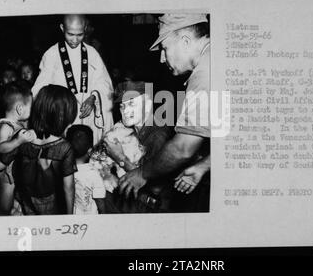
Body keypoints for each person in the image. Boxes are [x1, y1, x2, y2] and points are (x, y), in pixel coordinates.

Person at [118, 14, 211, 212]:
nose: (162, 58)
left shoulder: (205, 74)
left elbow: (183, 149)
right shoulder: (216, 57)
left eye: (164, 48)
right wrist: (205, 164)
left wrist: (141, 174)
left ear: (185, 41)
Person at [32, 14, 114, 143]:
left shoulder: (92, 53)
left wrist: (94, 98)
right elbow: (39, 90)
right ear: (62, 28)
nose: (75, 40)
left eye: (80, 34)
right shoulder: (51, 54)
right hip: (63, 118)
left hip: (88, 117)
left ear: (85, 28)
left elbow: (105, 84)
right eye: (70, 34)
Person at [0, 84, 78, 215]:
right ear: (63, 117)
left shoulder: (23, 137)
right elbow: (68, 187)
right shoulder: (64, 147)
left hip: (24, 197)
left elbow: (0, 164)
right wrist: (70, 216)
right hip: (49, 203)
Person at [102, 81, 175, 212]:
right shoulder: (132, 129)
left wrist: (119, 157)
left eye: (131, 104)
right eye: (122, 106)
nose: (125, 111)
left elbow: (155, 187)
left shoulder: (158, 135)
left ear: (147, 105)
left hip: (153, 208)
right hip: (136, 200)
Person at [0, 81, 36, 215]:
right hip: (7, 174)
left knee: (15, 198)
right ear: (19, 109)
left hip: (17, 168)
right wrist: (18, 141)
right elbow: (0, 148)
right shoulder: (6, 126)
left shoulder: (19, 123)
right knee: (5, 206)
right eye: (30, 106)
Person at [67, 124, 106, 214]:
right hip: (90, 221)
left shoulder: (63, 171)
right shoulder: (94, 174)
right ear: (90, 151)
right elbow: (100, 202)